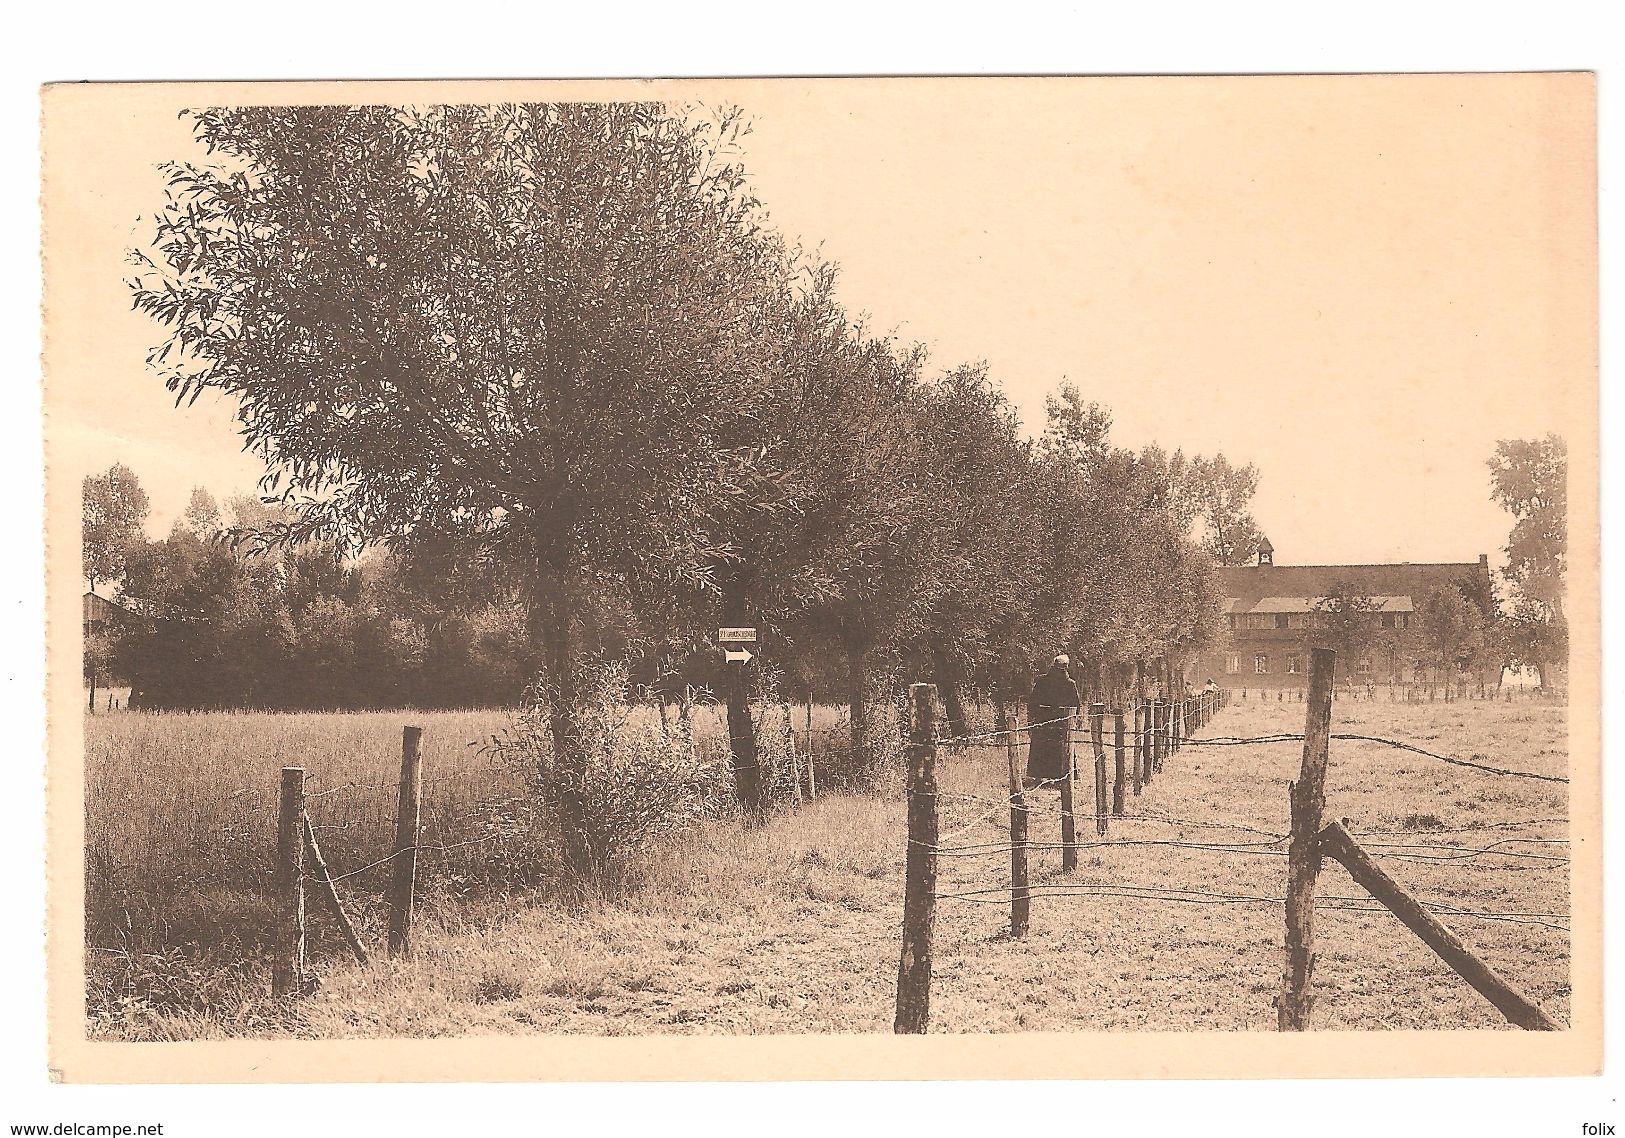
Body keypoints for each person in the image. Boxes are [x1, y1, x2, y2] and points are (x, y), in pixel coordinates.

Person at [1025, 654, 1081, 788]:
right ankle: (1062, 777)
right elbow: (1076, 705)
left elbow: (1032, 702)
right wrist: (1073, 719)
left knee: (1042, 748)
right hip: (1061, 722)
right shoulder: (1070, 683)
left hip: (1043, 721)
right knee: (1061, 748)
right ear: (1066, 667)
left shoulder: (1042, 681)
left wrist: (1032, 718)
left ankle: (1039, 776)